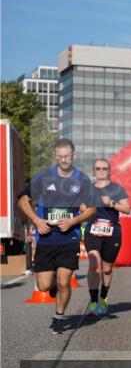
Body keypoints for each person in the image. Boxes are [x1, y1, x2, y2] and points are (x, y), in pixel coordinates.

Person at [16, 139, 95, 334]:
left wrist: (74, 220)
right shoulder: (43, 177)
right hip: (46, 238)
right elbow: (23, 201)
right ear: (54, 156)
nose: (64, 160)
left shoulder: (82, 180)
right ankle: (53, 288)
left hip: (69, 237)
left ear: (74, 155)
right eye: (60, 156)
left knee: (64, 281)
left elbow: (92, 209)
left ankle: (59, 317)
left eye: (67, 156)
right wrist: (36, 220)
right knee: (43, 286)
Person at [84, 158, 130, 317]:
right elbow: (82, 207)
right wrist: (84, 207)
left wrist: (111, 203)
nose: (101, 171)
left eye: (104, 168)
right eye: (98, 168)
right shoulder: (88, 189)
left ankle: (103, 298)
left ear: (109, 171)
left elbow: (126, 208)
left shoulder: (116, 188)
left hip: (112, 231)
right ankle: (93, 302)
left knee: (107, 269)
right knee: (94, 263)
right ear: (93, 171)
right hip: (93, 230)